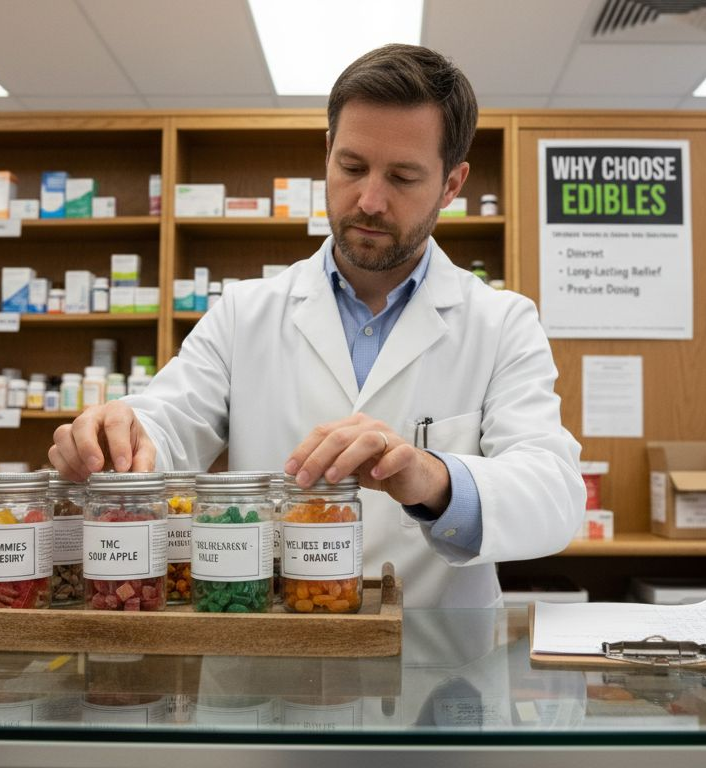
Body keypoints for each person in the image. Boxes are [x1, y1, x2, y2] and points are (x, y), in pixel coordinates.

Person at [49, 44, 584, 608]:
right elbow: (168, 423)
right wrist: (120, 439)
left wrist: (434, 478)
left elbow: (555, 495)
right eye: (351, 168)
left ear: (452, 184)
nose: (370, 200)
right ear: (327, 152)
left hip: (435, 648)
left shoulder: (501, 322)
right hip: (270, 644)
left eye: (403, 177)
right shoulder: (244, 313)